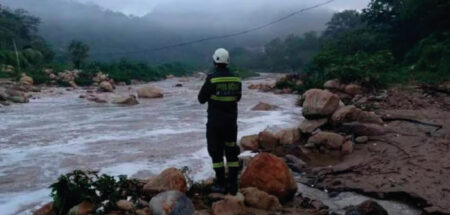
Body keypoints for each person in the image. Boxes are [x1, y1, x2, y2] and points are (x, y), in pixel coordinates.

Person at [198, 48, 242, 195]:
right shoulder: (236, 79)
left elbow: (201, 99)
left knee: (216, 152)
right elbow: (238, 98)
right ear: (228, 61)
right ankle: (233, 184)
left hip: (215, 123)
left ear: (215, 60)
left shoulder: (212, 79)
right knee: (231, 151)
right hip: (231, 123)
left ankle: (221, 183)